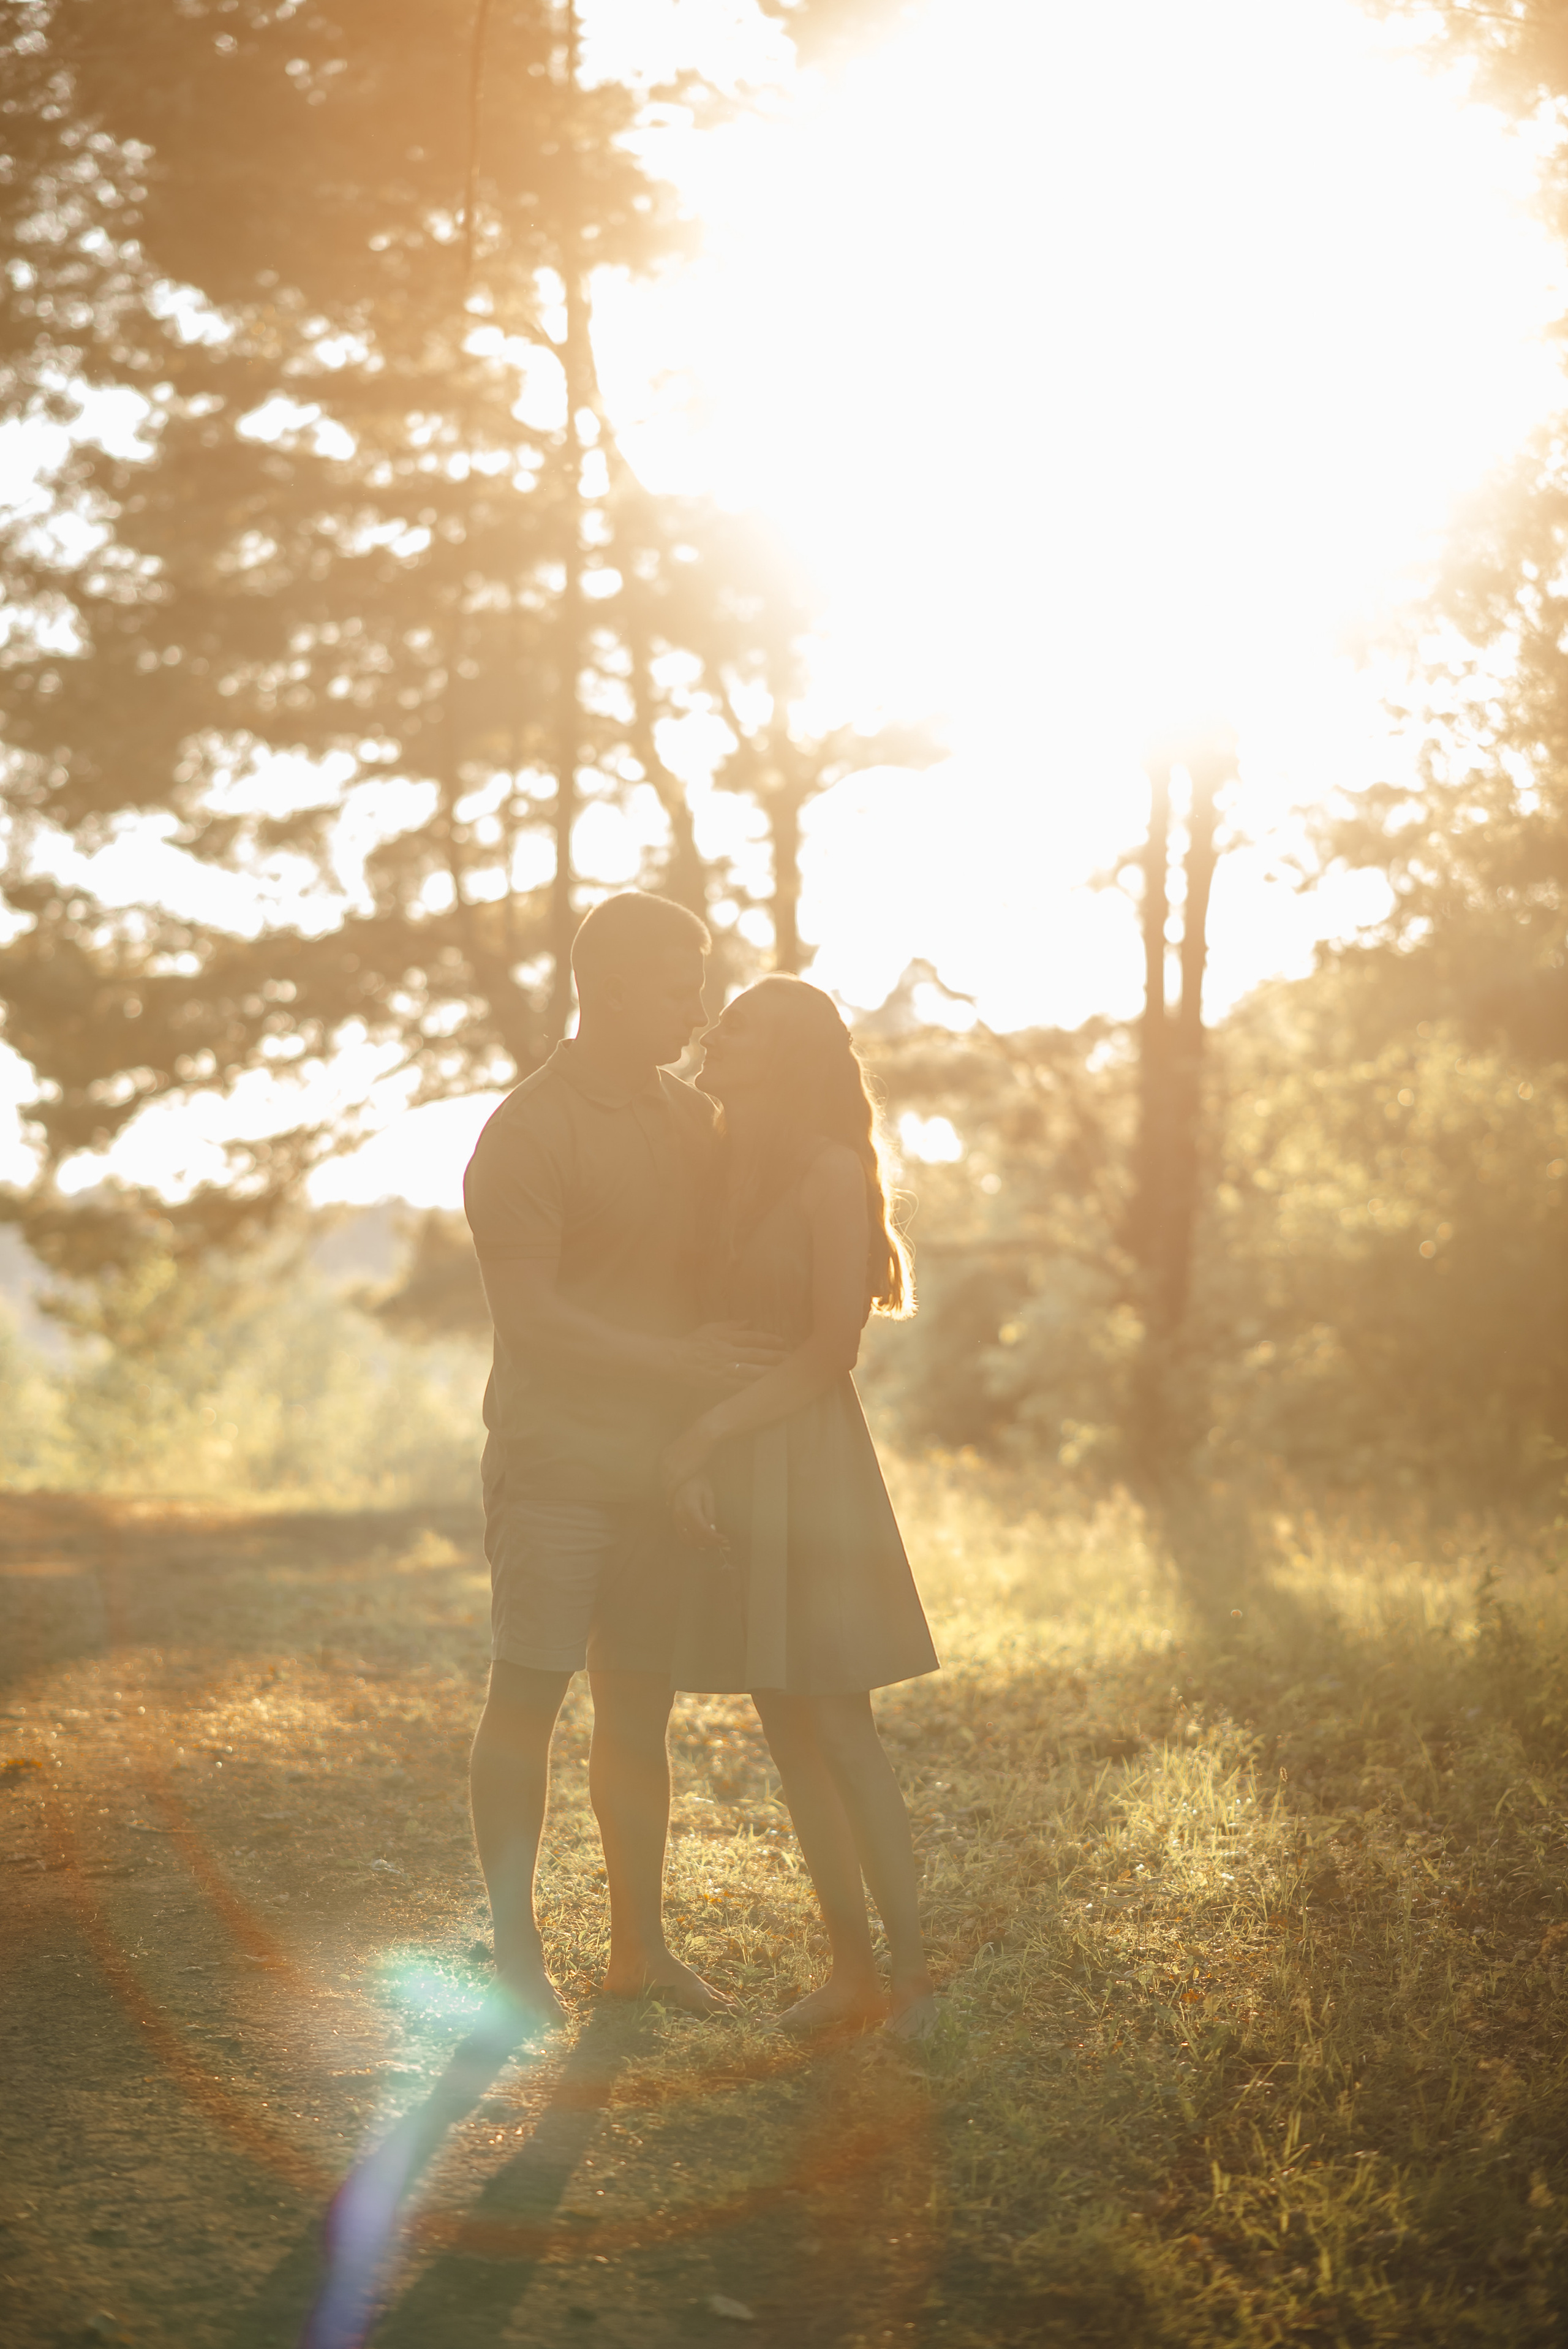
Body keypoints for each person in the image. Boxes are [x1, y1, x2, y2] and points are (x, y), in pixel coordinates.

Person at [462, 893, 784, 2033]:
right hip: (553, 1469)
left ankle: (638, 1951)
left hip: (659, 1480)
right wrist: (681, 1365)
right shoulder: (527, 1130)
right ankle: (513, 1949)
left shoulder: (696, 1121)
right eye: (673, 986)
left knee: (637, 1717)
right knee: (529, 1702)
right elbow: (534, 1320)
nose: (693, 1010)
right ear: (605, 986)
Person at [660, 976, 941, 2038]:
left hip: (807, 1455)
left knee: (840, 1722)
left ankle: (908, 1979)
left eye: (742, 1026)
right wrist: (689, 1453)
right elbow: (696, 1321)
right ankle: (851, 1972)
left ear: (789, 1055)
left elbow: (831, 1351)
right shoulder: (724, 1161)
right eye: (719, 1015)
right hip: (730, 1455)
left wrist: (707, 1435)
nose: (714, 1032)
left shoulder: (830, 1170)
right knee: (784, 1721)